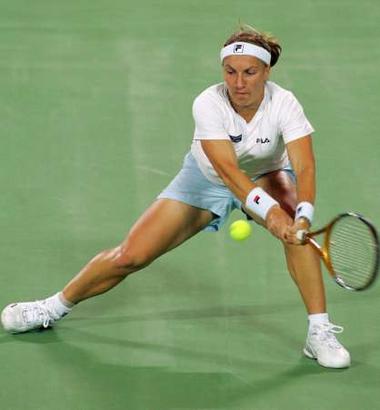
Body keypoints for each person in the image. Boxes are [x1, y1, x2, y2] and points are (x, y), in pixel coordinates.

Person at [1, 25, 350, 369]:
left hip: (268, 174)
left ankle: (318, 332)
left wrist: (301, 214)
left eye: (249, 72)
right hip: (205, 180)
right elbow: (229, 173)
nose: (239, 83)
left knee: (298, 234)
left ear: (266, 71)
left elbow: (304, 168)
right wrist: (270, 214)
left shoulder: (284, 103)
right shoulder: (208, 103)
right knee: (129, 256)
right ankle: (51, 307)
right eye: (230, 72)